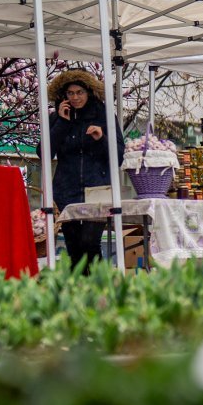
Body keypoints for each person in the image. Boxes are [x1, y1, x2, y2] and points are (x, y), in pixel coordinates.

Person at [48, 69, 124, 270]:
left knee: (89, 243)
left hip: (96, 189)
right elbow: (43, 153)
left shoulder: (104, 116)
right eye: (70, 93)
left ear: (88, 92)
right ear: (64, 96)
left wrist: (101, 139)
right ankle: (78, 290)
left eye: (79, 92)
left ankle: (97, 287)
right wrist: (62, 124)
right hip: (67, 191)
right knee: (74, 247)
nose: (75, 97)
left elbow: (118, 156)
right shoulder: (57, 118)